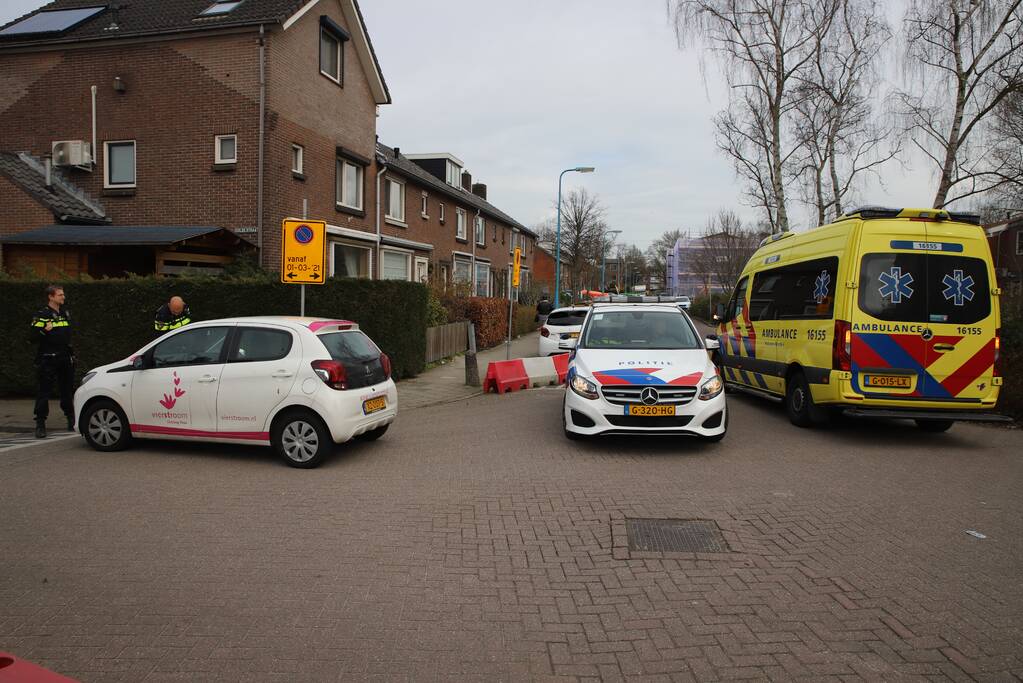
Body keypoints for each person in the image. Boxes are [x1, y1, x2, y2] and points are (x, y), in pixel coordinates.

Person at [30, 284, 75, 439]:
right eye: (60, 295)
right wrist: (44, 330)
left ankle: (71, 420)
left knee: (66, 390)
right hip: (48, 359)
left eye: (63, 294)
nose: (63, 297)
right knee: (44, 392)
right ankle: (40, 424)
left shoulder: (65, 313)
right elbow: (32, 337)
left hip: (64, 358)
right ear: (51, 297)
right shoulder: (42, 315)